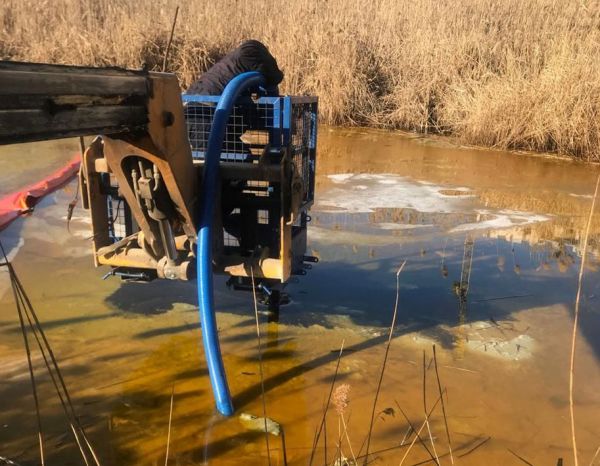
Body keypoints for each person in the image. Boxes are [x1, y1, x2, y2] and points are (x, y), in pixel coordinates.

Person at [186, 39, 283, 96]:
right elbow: (274, 77)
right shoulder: (252, 55)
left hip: (192, 96)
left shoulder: (232, 61)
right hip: (211, 105)